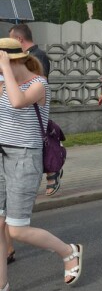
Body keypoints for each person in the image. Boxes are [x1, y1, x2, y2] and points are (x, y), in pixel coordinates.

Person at [0, 38, 83, 288]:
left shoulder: (39, 84)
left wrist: (5, 71)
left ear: (14, 60)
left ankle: (69, 252)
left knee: (16, 230)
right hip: (1, 154)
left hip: (25, 157)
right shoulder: (3, 82)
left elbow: (17, 102)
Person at [9, 25, 60, 197]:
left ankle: (52, 172)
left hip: (34, 108)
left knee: (44, 142)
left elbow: (41, 81)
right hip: (24, 112)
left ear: (19, 39)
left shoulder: (39, 56)